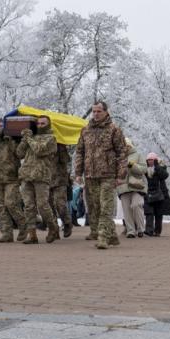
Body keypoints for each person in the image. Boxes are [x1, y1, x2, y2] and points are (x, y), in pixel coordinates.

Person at [74, 101, 127, 249]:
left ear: (106, 112)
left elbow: (122, 153)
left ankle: (102, 236)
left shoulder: (114, 130)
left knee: (106, 206)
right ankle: (112, 236)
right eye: (94, 111)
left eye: (99, 111)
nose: (96, 114)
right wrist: (78, 172)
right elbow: (80, 152)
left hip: (108, 175)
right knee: (94, 207)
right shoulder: (85, 130)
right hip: (90, 175)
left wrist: (121, 175)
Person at [0, 118, 27, 243]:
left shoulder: (12, 139)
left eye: (0, 126)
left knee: (11, 203)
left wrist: (12, 138)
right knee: (0, 207)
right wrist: (0, 131)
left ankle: (24, 226)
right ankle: (6, 233)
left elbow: (20, 154)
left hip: (11, 177)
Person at [17, 116, 59, 244]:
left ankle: (53, 228)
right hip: (27, 175)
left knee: (42, 205)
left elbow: (39, 150)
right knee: (28, 206)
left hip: (41, 176)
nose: (40, 125)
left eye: (43, 123)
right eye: (38, 123)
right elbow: (19, 153)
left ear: (48, 124)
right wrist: (24, 139)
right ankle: (32, 235)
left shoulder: (51, 138)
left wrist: (28, 138)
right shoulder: (31, 138)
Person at [116, 139, 148, 238]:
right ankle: (130, 231)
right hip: (123, 186)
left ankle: (140, 229)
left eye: (126, 145)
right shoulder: (118, 158)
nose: (125, 148)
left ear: (130, 145)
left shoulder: (138, 155)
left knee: (136, 205)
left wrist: (131, 165)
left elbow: (143, 169)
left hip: (136, 186)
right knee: (126, 210)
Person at [144, 153, 170, 236]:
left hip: (159, 194)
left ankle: (157, 231)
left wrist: (157, 166)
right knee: (149, 212)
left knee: (158, 213)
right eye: (148, 160)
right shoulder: (145, 169)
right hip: (148, 193)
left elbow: (164, 176)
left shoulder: (161, 167)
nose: (150, 161)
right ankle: (149, 230)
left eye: (152, 160)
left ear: (155, 160)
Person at [50, 143, 74, 238]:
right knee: (49, 207)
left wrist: (59, 148)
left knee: (60, 204)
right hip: (46, 179)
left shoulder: (60, 145)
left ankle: (67, 223)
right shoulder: (42, 143)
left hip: (60, 179)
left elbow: (66, 159)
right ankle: (54, 229)